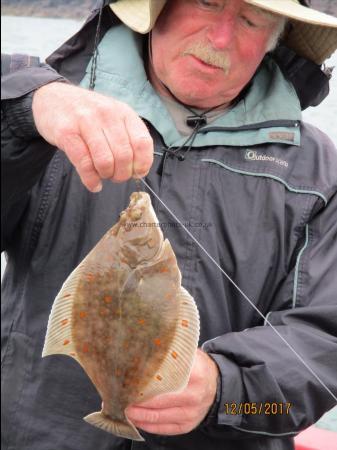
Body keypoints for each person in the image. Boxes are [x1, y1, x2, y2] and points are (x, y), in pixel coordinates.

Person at [1, 0, 337, 449]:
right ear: (159, 8)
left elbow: (324, 354)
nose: (220, 38)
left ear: (275, 40)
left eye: (252, 19)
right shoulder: (53, 114)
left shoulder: (320, 174)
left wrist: (228, 393)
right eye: (207, 2)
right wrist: (21, 110)